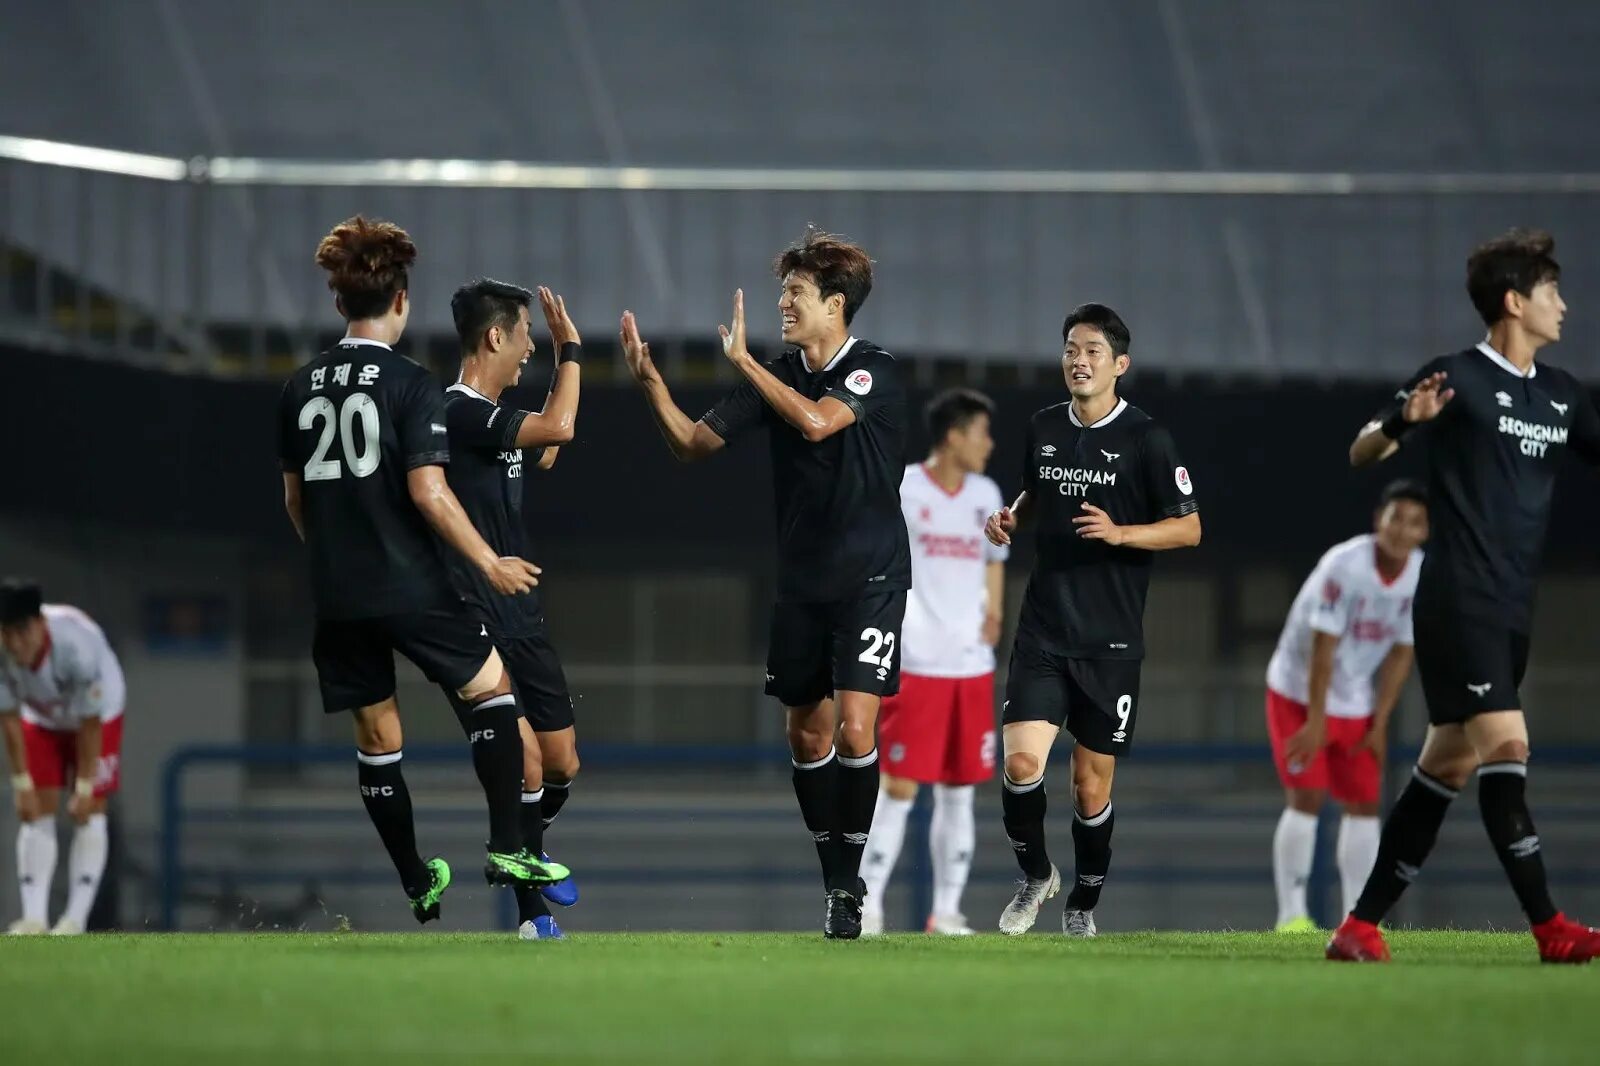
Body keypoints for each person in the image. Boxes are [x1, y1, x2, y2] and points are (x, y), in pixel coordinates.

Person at [277, 215, 566, 924]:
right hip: (409, 581)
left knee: (379, 740)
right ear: (400, 301)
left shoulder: (300, 386)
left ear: (340, 303)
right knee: (494, 696)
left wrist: (335, 557)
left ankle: (415, 877)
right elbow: (429, 492)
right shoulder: (411, 384)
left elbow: (295, 501)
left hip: (337, 591)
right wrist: (487, 560)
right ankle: (507, 846)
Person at [621, 228, 909, 939]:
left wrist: (746, 365)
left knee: (855, 725)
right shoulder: (777, 372)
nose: (784, 303)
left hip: (871, 575)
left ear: (836, 305)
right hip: (804, 580)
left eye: (797, 294)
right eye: (784, 292)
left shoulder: (872, 368)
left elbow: (816, 424)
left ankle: (847, 886)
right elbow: (692, 444)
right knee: (806, 737)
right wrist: (652, 384)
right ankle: (836, 881)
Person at [1327, 229, 1600, 963]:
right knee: (1507, 749)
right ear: (1515, 302)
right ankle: (1551, 929)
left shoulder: (1562, 395)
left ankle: (1358, 927)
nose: (1564, 307)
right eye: (1551, 293)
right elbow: (1362, 451)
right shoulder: (1456, 379)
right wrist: (1399, 425)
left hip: (1512, 609)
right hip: (1458, 600)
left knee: (1445, 767)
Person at [986, 303, 1201, 937]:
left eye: (1093, 352)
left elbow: (1190, 527)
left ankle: (1081, 904)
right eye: (1071, 350)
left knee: (1089, 785)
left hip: (1110, 641)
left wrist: (1120, 532)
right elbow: (1033, 490)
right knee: (1021, 765)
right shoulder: (1043, 426)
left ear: (1120, 365)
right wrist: (1011, 518)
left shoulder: (1148, 439)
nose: (1079, 361)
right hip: (1044, 631)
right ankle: (1035, 875)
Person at [443, 277, 584, 940]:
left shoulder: (496, 419)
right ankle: (532, 917)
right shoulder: (459, 412)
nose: (531, 346)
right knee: (525, 760)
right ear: (495, 336)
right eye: (525, 334)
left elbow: (551, 448)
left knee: (561, 764)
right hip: (472, 612)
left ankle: (530, 842)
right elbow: (560, 426)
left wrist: (558, 367)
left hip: (521, 611)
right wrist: (574, 351)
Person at [860, 389, 1007, 936]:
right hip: (917, 658)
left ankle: (946, 912)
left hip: (970, 663)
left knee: (960, 788)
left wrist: (994, 614)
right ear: (953, 435)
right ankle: (868, 906)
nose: (988, 444)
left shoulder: (987, 493)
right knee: (899, 785)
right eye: (981, 432)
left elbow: (995, 558)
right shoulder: (905, 486)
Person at [1266, 480, 1427, 932]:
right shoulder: (1344, 566)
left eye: (1415, 522)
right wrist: (1316, 721)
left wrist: (1380, 720)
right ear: (1380, 520)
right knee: (1307, 797)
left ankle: (1358, 918)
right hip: (1298, 691)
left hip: (1354, 696)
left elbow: (1401, 651)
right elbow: (1322, 649)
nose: (1402, 529)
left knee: (1363, 802)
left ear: (1424, 533)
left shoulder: (1419, 575)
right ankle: (1291, 915)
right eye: (1396, 517)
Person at [0, 582, 124, 935]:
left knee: (90, 809)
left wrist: (84, 786)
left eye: (22, 631)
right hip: (41, 717)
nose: (15, 643)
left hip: (100, 714)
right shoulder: (1, 652)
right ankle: (34, 918)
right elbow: (8, 717)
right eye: (6, 633)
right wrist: (21, 783)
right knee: (36, 807)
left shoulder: (76, 645)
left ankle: (74, 919)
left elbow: (88, 723)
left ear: (40, 624)